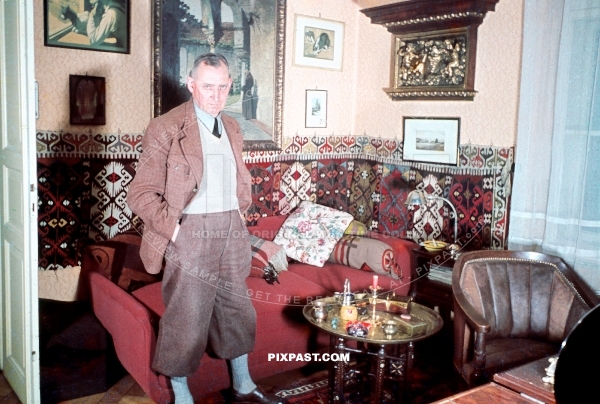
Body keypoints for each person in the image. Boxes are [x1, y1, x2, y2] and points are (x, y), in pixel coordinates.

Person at [127, 54, 285, 404]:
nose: (215, 95)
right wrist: (177, 231)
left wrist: (240, 220)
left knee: (236, 307)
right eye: (207, 87)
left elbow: (234, 177)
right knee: (188, 313)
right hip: (191, 231)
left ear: (230, 86)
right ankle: (182, 395)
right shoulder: (165, 127)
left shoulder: (231, 125)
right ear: (191, 84)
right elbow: (138, 193)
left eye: (222, 87)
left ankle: (243, 384)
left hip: (231, 227)